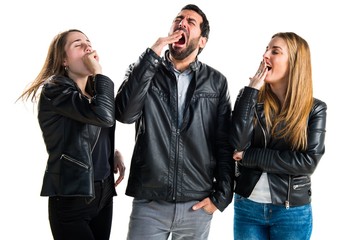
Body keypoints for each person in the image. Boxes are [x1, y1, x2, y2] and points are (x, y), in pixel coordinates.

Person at [115, 4, 234, 240]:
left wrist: (220, 198)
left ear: (202, 41)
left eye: (191, 22)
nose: (182, 23)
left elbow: (224, 142)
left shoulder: (216, 82)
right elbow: (125, 115)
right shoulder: (144, 69)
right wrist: (153, 53)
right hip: (150, 202)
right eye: (178, 19)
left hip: (197, 205)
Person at [17, 29, 125, 240]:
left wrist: (111, 153)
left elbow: (91, 132)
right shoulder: (55, 90)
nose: (87, 47)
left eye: (88, 42)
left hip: (103, 193)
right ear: (64, 60)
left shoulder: (94, 93)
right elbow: (103, 116)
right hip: (72, 197)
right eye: (77, 44)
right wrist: (99, 73)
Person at [230, 32, 327, 240]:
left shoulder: (315, 109)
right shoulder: (249, 97)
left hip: (291, 212)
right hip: (247, 207)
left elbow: (307, 162)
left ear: (294, 62)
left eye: (275, 51)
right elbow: (237, 144)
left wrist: (250, 157)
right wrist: (251, 91)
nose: (265, 55)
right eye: (266, 49)